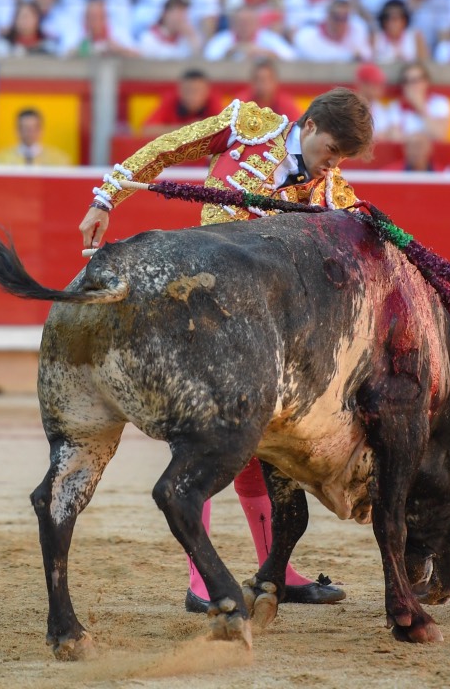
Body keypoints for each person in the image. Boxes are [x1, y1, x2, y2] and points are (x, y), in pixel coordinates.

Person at [80, 87, 375, 613]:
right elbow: (166, 151)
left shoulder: (332, 193)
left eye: (342, 157)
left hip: (264, 336)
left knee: (258, 451)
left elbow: (370, 242)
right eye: (332, 149)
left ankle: (275, 568)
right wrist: (105, 199)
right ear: (308, 126)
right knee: (205, 447)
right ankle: (200, 580)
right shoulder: (247, 127)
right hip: (200, 310)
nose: (334, 162)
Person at [141, 68, 223, 135]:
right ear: (179, 90)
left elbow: (226, 129)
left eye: (197, 91)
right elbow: (148, 130)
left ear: (207, 91)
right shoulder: (171, 99)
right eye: (188, 91)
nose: (192, 96)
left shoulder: (213, 99)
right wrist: (186, 128)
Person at [0, 107, 71, 166]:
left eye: (33, 128)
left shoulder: (59, 160)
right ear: (17, 130)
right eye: (25, 128)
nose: (30, 133)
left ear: (41, 130)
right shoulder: (0, 160)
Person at [235, 58, 303, 119]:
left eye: (267, 79)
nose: (263, 84)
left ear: (275, 81)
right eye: (259, 79)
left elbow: (297, 127)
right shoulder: (241, 103)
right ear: (252, 82)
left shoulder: (286, 104)